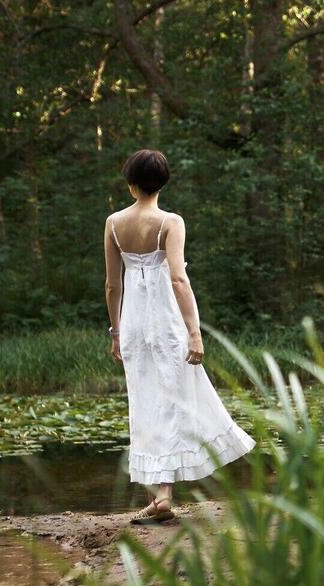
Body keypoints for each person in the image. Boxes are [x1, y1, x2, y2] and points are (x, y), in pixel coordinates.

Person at [103, 149, 255, 524]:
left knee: (144, 402)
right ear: (163, 182)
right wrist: (194, 332)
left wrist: (116, 331)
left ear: (131, 183)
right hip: (166, 322)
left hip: (134, 324)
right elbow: (178, 279)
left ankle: (161, 495)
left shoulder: (113, 223)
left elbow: (112, 284)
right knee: (173, 397)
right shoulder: (171, 222)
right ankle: (165, 493)